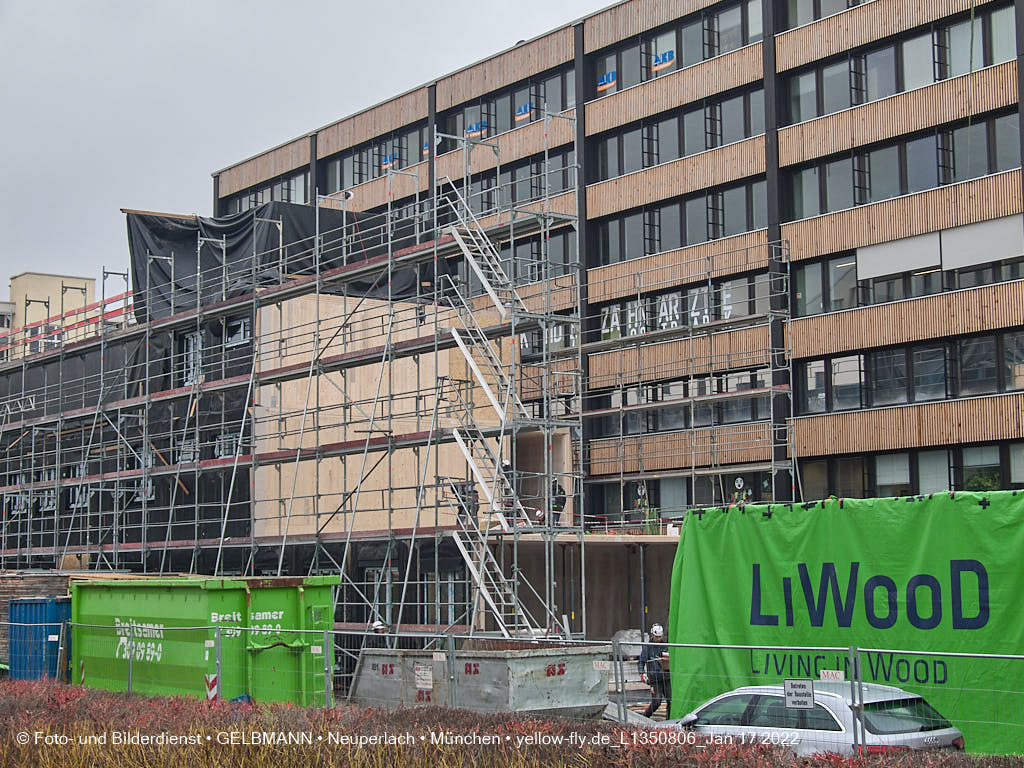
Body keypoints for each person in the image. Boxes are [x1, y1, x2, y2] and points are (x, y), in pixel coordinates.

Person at [638, 623, 672, 718]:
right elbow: (641, 661)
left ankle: (669, 720)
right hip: (654, 679)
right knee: (656, 701)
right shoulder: (648, 648)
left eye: (660, 637)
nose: (658, 639)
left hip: (666, 677)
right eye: (656, 637)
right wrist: (642, 673)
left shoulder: (665, 646)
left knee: (671, 700)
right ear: (652, 635)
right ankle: (644, 717)